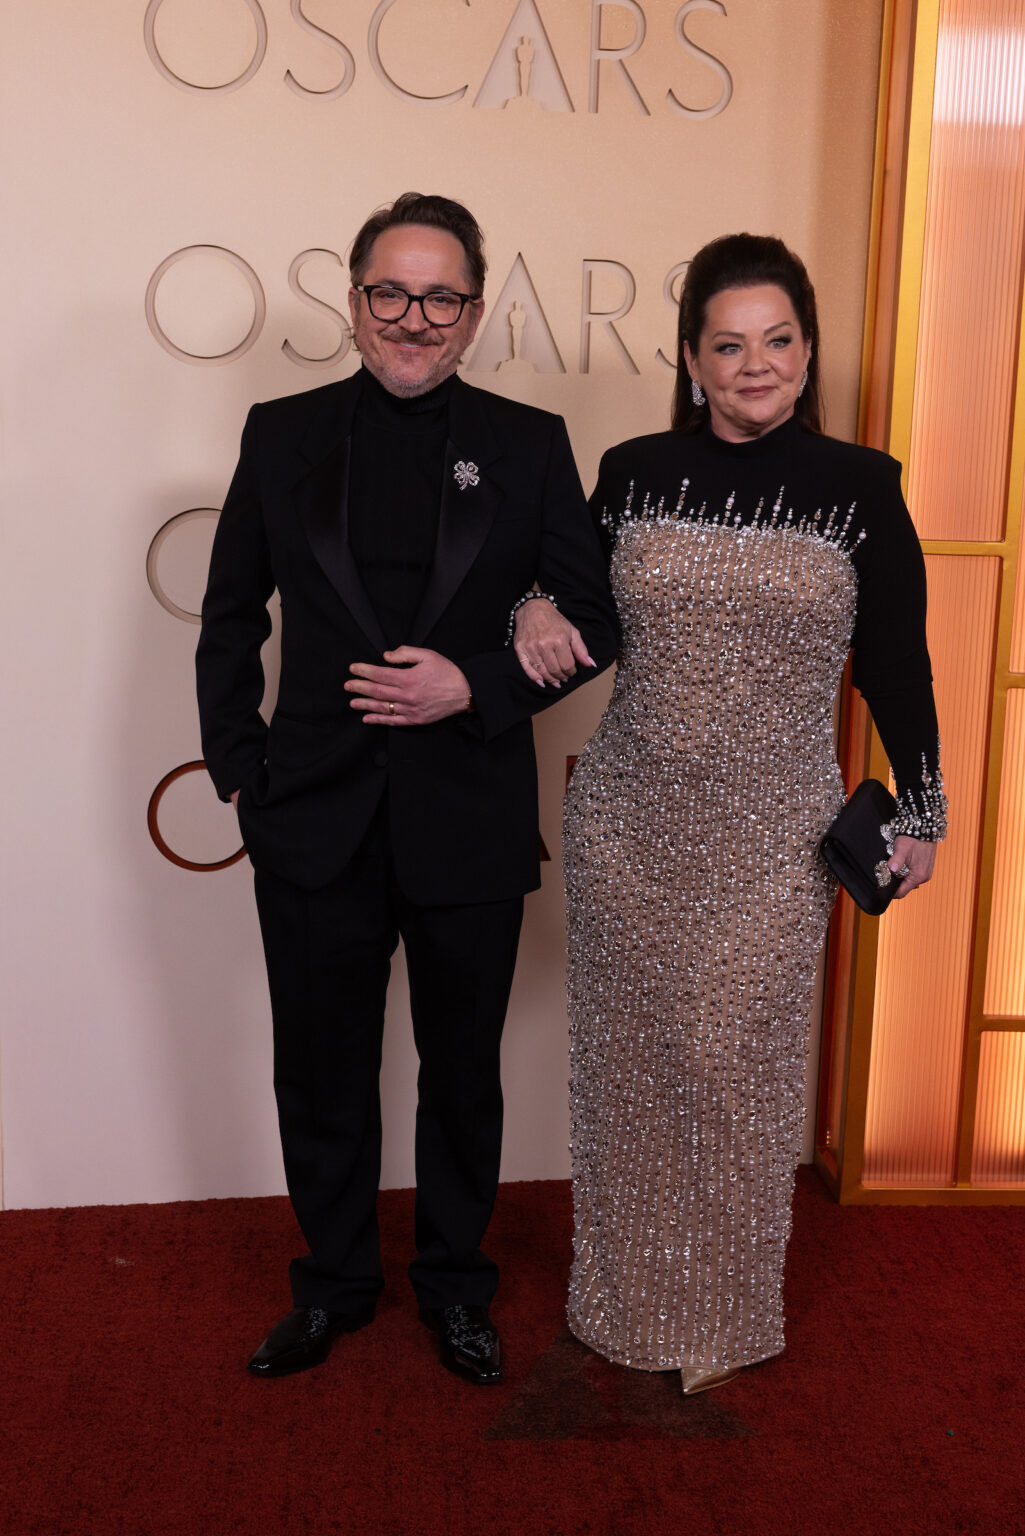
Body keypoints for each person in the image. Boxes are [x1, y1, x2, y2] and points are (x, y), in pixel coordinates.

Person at [511, 234, 947, 1394]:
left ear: (805, 353)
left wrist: (926, 810)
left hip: (773, 840)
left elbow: (893, 668)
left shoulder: (862, 485)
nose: (755, 365)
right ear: (692, 360)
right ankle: (620, 1304)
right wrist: (528, 608)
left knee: (731, 1069)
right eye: (727, 344)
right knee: (630, 1071)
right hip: (628, 826)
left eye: (779, 341)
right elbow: (583, 625)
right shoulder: (634, 468)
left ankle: (722, 1312)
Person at [196, 193, 616, 1384]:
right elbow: (230, 617)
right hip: (311, 814)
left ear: (473, 313)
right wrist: (242, 772)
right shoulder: (279, 434)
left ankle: (453, 1286)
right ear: (354, 300)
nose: (413, 318)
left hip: (468, 815)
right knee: (318, 1070)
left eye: (440, 297)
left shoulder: (530, 444)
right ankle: (332, 1286)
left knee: (462, 1073)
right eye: (391, 292)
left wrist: (473, 685)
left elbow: (591, 618)